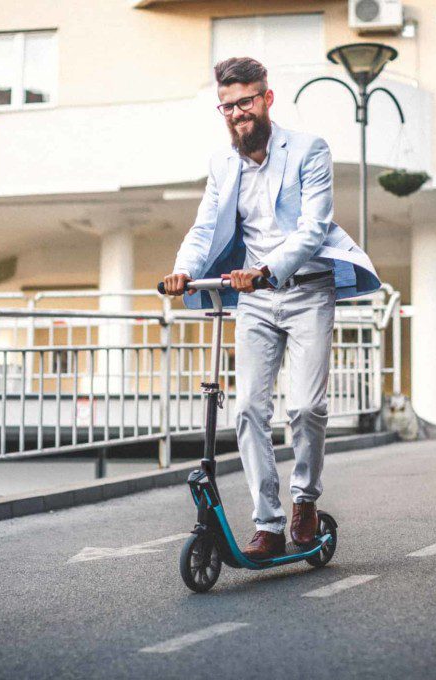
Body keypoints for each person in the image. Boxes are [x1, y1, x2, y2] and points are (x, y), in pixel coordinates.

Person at [163, 57, 380, 559]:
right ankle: (268, 522)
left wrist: (266, 269)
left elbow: (313, 227)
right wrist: (182, 269)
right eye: (228, 105)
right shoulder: (222, 164)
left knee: (306, 407)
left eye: (246, 101)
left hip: (307, 290)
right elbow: (203, 229)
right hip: (254, 302)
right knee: (247, 410)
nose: (238, 113)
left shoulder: (308, 150)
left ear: (266, 99)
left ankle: (304, 500)